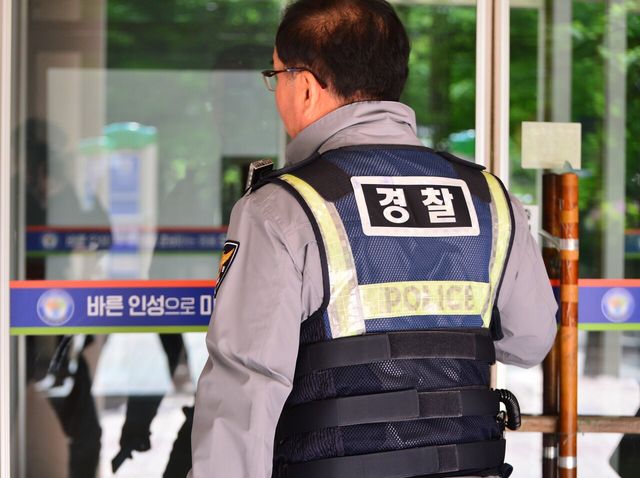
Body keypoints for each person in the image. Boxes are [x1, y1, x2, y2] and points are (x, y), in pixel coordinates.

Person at [189, 1, 558, 477]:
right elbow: (529, 341)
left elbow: (245, 388)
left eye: (275, 76)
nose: (276, 91)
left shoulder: (282, 208)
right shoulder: (487, 196)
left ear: (305, 86)